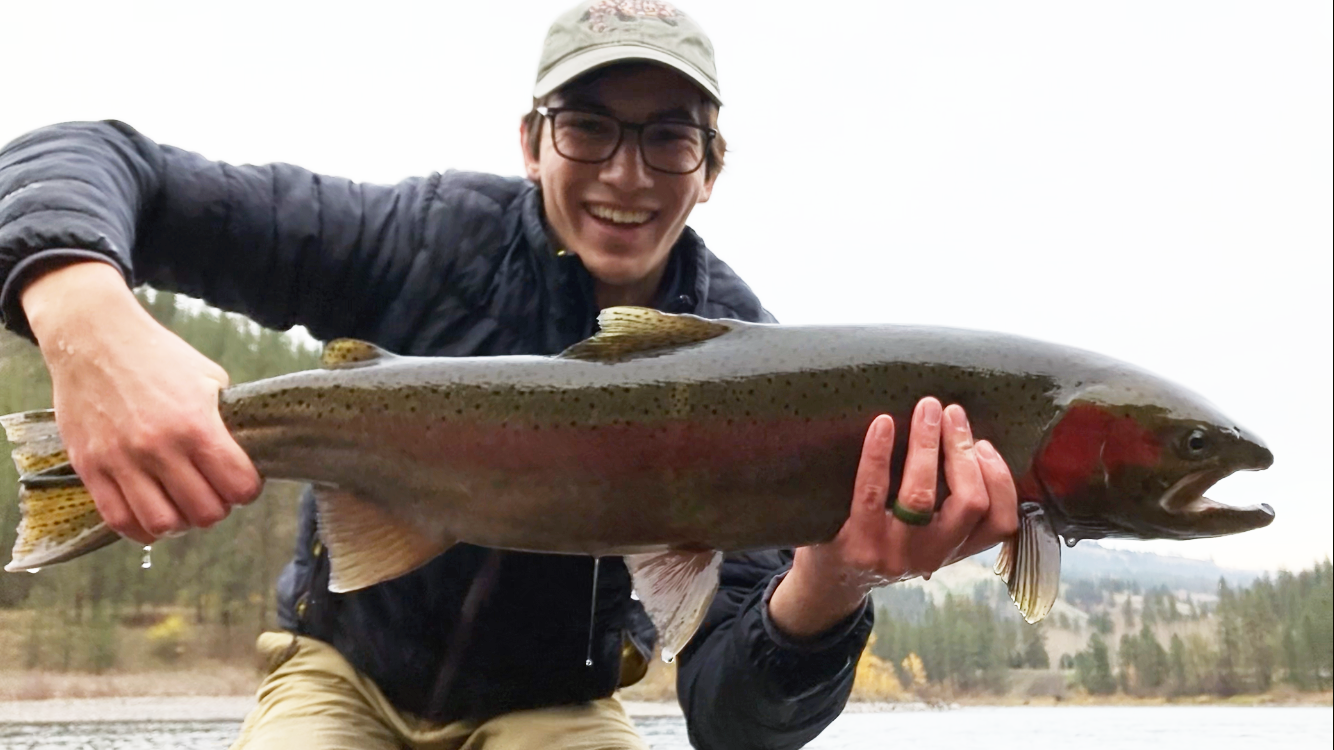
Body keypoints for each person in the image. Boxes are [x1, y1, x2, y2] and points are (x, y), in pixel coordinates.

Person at [0, 2, 1018, 748]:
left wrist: (830, 579)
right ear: (530, 142)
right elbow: (88, 156)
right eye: (588, 126)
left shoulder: (758, 371)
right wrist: (89, 319)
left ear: (711, 167)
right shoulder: (414, 237)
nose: (626, 173)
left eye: (668, 137)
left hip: (555, 704)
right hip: (340, 672)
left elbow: (729, 720)